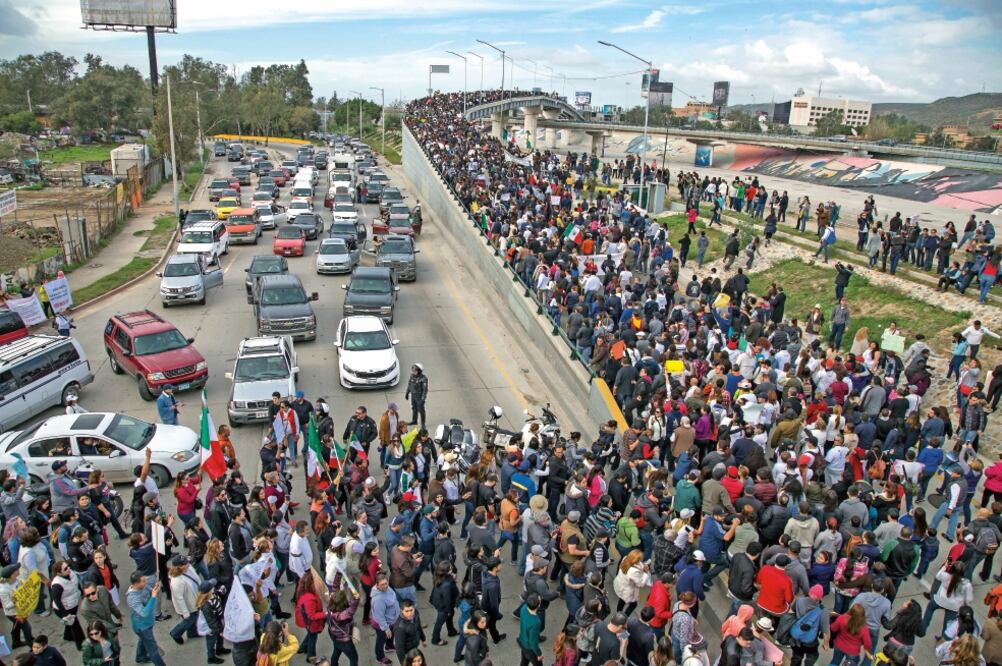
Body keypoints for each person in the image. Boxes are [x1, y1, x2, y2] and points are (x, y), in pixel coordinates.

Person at [125, 571, 166, 666]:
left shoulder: (143, 586)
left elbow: (151, 591)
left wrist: (155, 588)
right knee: (153, 650)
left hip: (147, 623)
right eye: (143, 581)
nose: (146, 582)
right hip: (142, 627)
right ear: (135, 584)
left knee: (143, 640)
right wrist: (153, 597)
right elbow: (144, 613)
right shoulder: (132, 598)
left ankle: (140, 657)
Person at [518, 593, 543, 666]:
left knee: (524, 661)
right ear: (538, 605)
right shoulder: (536, 622)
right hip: (530, 649)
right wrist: (539, 654)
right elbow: (533, 642)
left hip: (522, 640)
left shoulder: (524, 608)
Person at [406, 363, 429, 428]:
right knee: (414, 408)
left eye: (415, 371)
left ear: (419, 371)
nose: (413, 372)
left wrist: (423, 399)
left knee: (421, 410)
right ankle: (414, 420)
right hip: (413, 396)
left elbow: (425, 390)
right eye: (412, 371)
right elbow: (409, 384)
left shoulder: (423, 379)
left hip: (419, 397)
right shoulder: (412, 376)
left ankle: (423, 423)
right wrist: (407, 393)